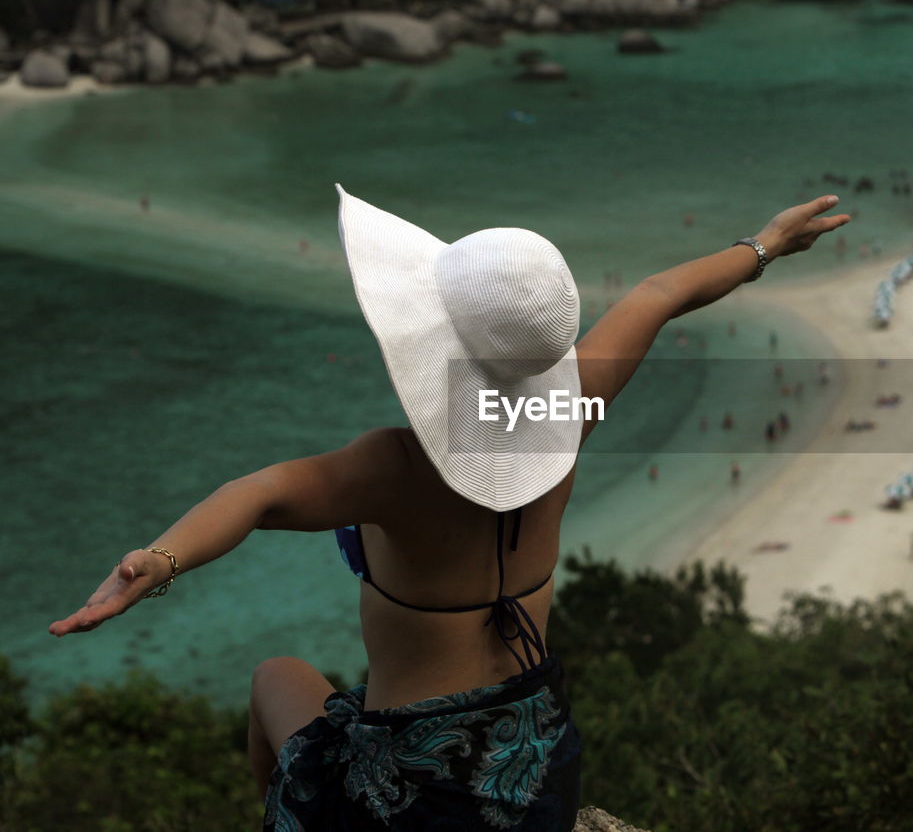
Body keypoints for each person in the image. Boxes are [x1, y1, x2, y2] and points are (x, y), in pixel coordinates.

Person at [48, 187, 851, 829]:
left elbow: (254, 494)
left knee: (273, 677)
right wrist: (766, 245)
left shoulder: (395, 466)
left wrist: (161, 559)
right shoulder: (570, 410)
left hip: (412, 793)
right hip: (536, 765)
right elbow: (660, 292)